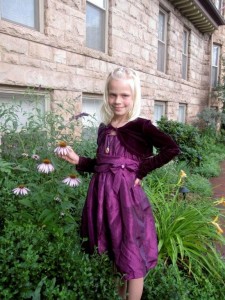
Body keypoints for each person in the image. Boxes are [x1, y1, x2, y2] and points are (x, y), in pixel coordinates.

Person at [59, 67, 180, 300]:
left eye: (125, 95)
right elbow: (101, 165)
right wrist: (78, 160)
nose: (118, 100)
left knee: (131, 250)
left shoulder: (141, 126)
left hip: (126, 200)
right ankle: (118, 295)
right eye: (113, 94)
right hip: (102, 198)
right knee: (113, 249)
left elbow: (171, 148)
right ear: (106, 94)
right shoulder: (104, 128)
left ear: (134, 97)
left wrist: (141, 170)